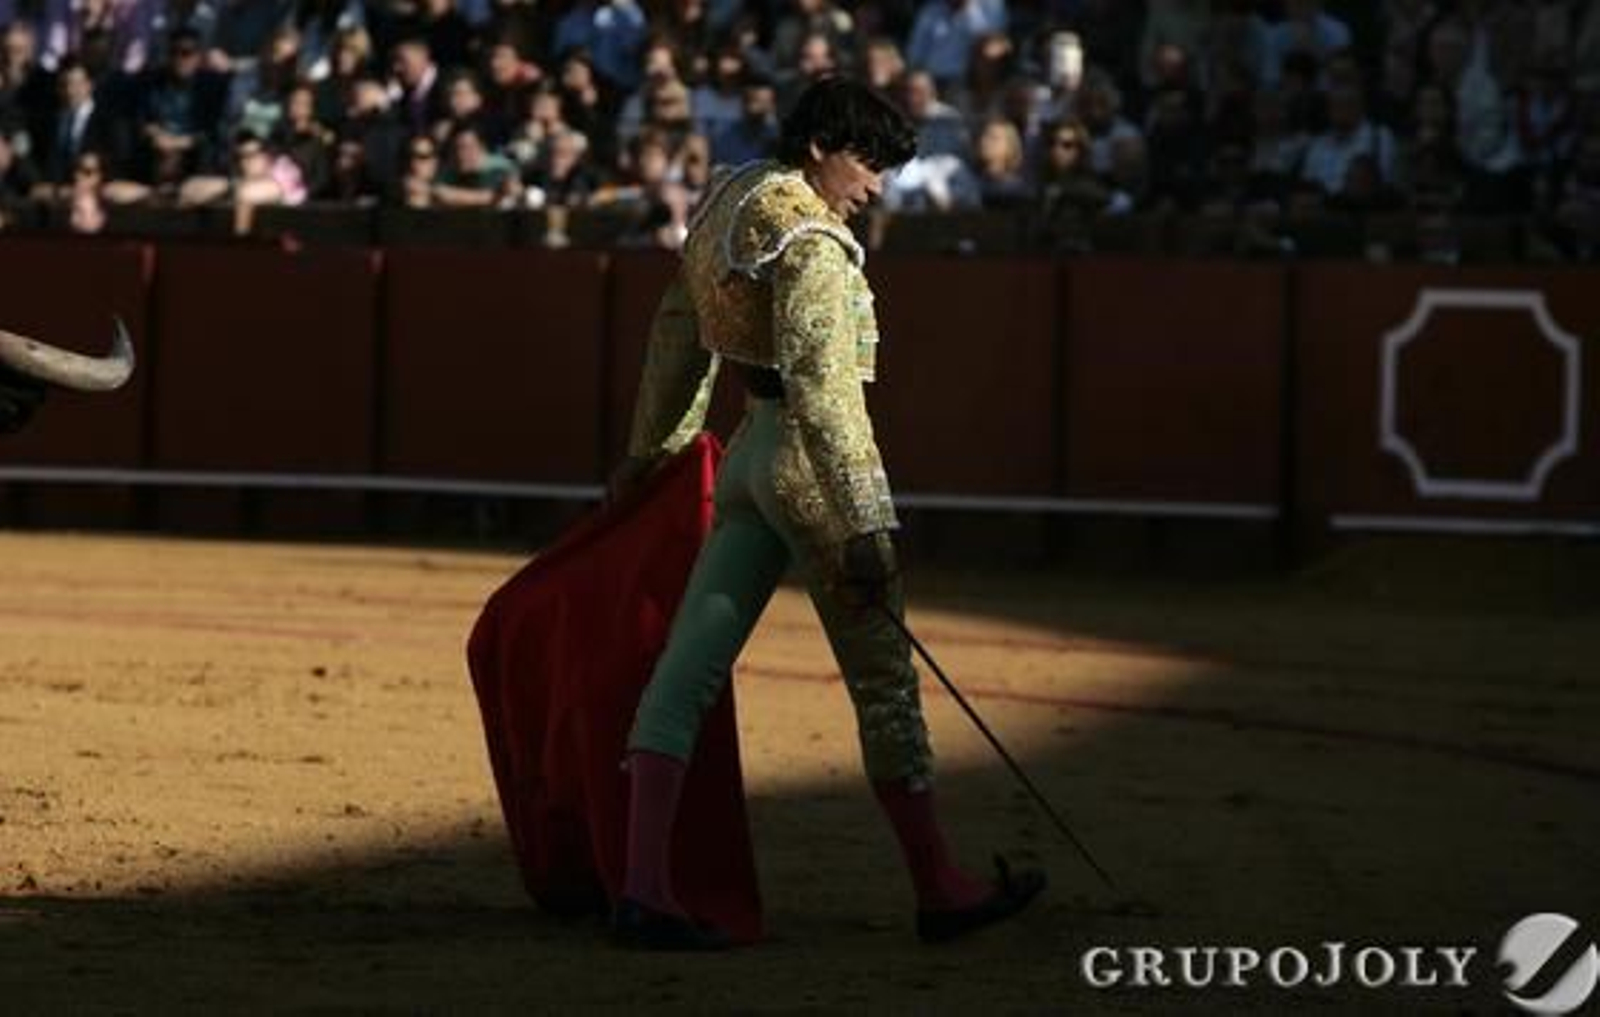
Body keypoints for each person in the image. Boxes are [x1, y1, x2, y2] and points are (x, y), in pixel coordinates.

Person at [608, 77, 1046, 951]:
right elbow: (827, 396)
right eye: (868, 163)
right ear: (819, 147)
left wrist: (650, 454)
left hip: (745, 462)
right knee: (883, 682)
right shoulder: (812, 241)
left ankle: (643, 887)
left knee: (684, 673)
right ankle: (940, 886)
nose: (876, 186)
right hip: (809, 474)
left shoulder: (727, 197)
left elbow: (677, 328)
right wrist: (866, 525)